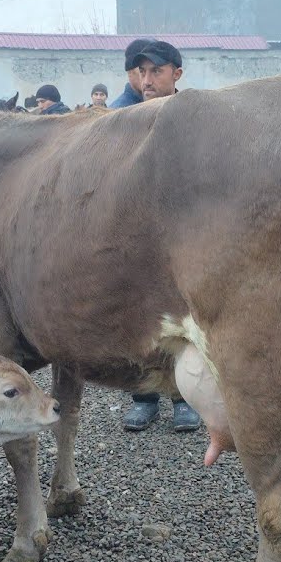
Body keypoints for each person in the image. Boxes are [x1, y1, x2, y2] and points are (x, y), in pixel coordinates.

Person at [117, 39, 200, 433]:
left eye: (157, 71)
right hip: (133, 234)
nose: (147, 80)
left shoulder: (195, 116)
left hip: (181, 234)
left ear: (177, 74)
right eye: (142, 72)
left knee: (184, 318)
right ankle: (144, 397)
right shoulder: (119, 117)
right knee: (138, 317)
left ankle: (186, 397)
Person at [109, 37, 153, 108]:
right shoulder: (119, 111)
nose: (148, 80)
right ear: (130, 72)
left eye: (155, 71)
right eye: (142, 71)